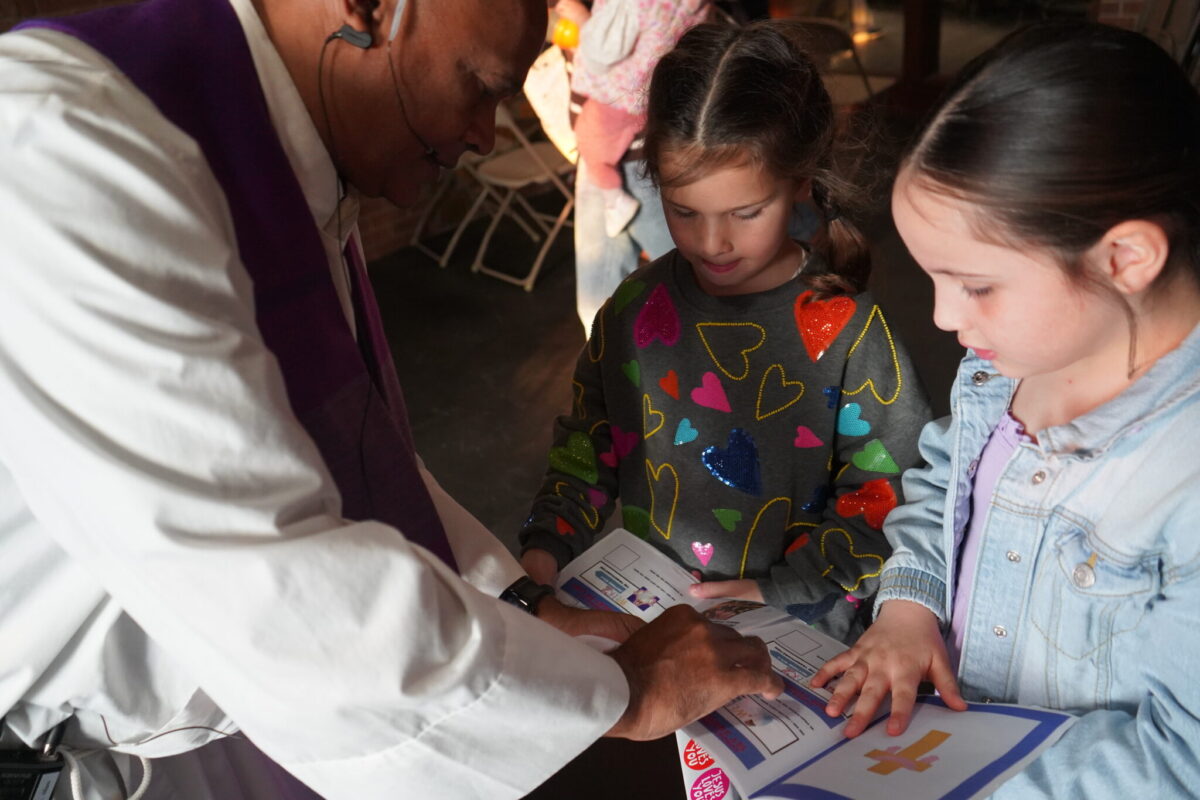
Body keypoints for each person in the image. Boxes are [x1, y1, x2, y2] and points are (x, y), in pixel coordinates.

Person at [0, 0, 785, 797]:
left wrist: (517, 600)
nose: (484, 134)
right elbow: (276, 588)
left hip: (208, 706)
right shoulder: (60, 146)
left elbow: (345, 450)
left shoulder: (284, 147)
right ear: (369, 9)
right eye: (477, 86)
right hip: (79, 744)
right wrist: (632, 693)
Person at [811, 22, 1200, 797]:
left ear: (1124, 258)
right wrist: (910, 607)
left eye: (976, 285)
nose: (947, 318)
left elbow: (1178, 761)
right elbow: (945, 487)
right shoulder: (1005, 367)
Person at [519, 20, 932, 644]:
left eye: (746, 213)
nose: (712, 243)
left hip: (802, 629)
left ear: (798, 181)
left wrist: (781, 589)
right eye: (684, 212)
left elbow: (885, 490)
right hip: (658, 619)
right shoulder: (633, 309)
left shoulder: (848, 331)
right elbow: (590, 445)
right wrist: (547, 544)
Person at [556, 0, 704, 329]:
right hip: (632, 149)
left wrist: (582, 21)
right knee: (608, 306)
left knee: (686, 288)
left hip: (630, 153)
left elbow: (605, 53)